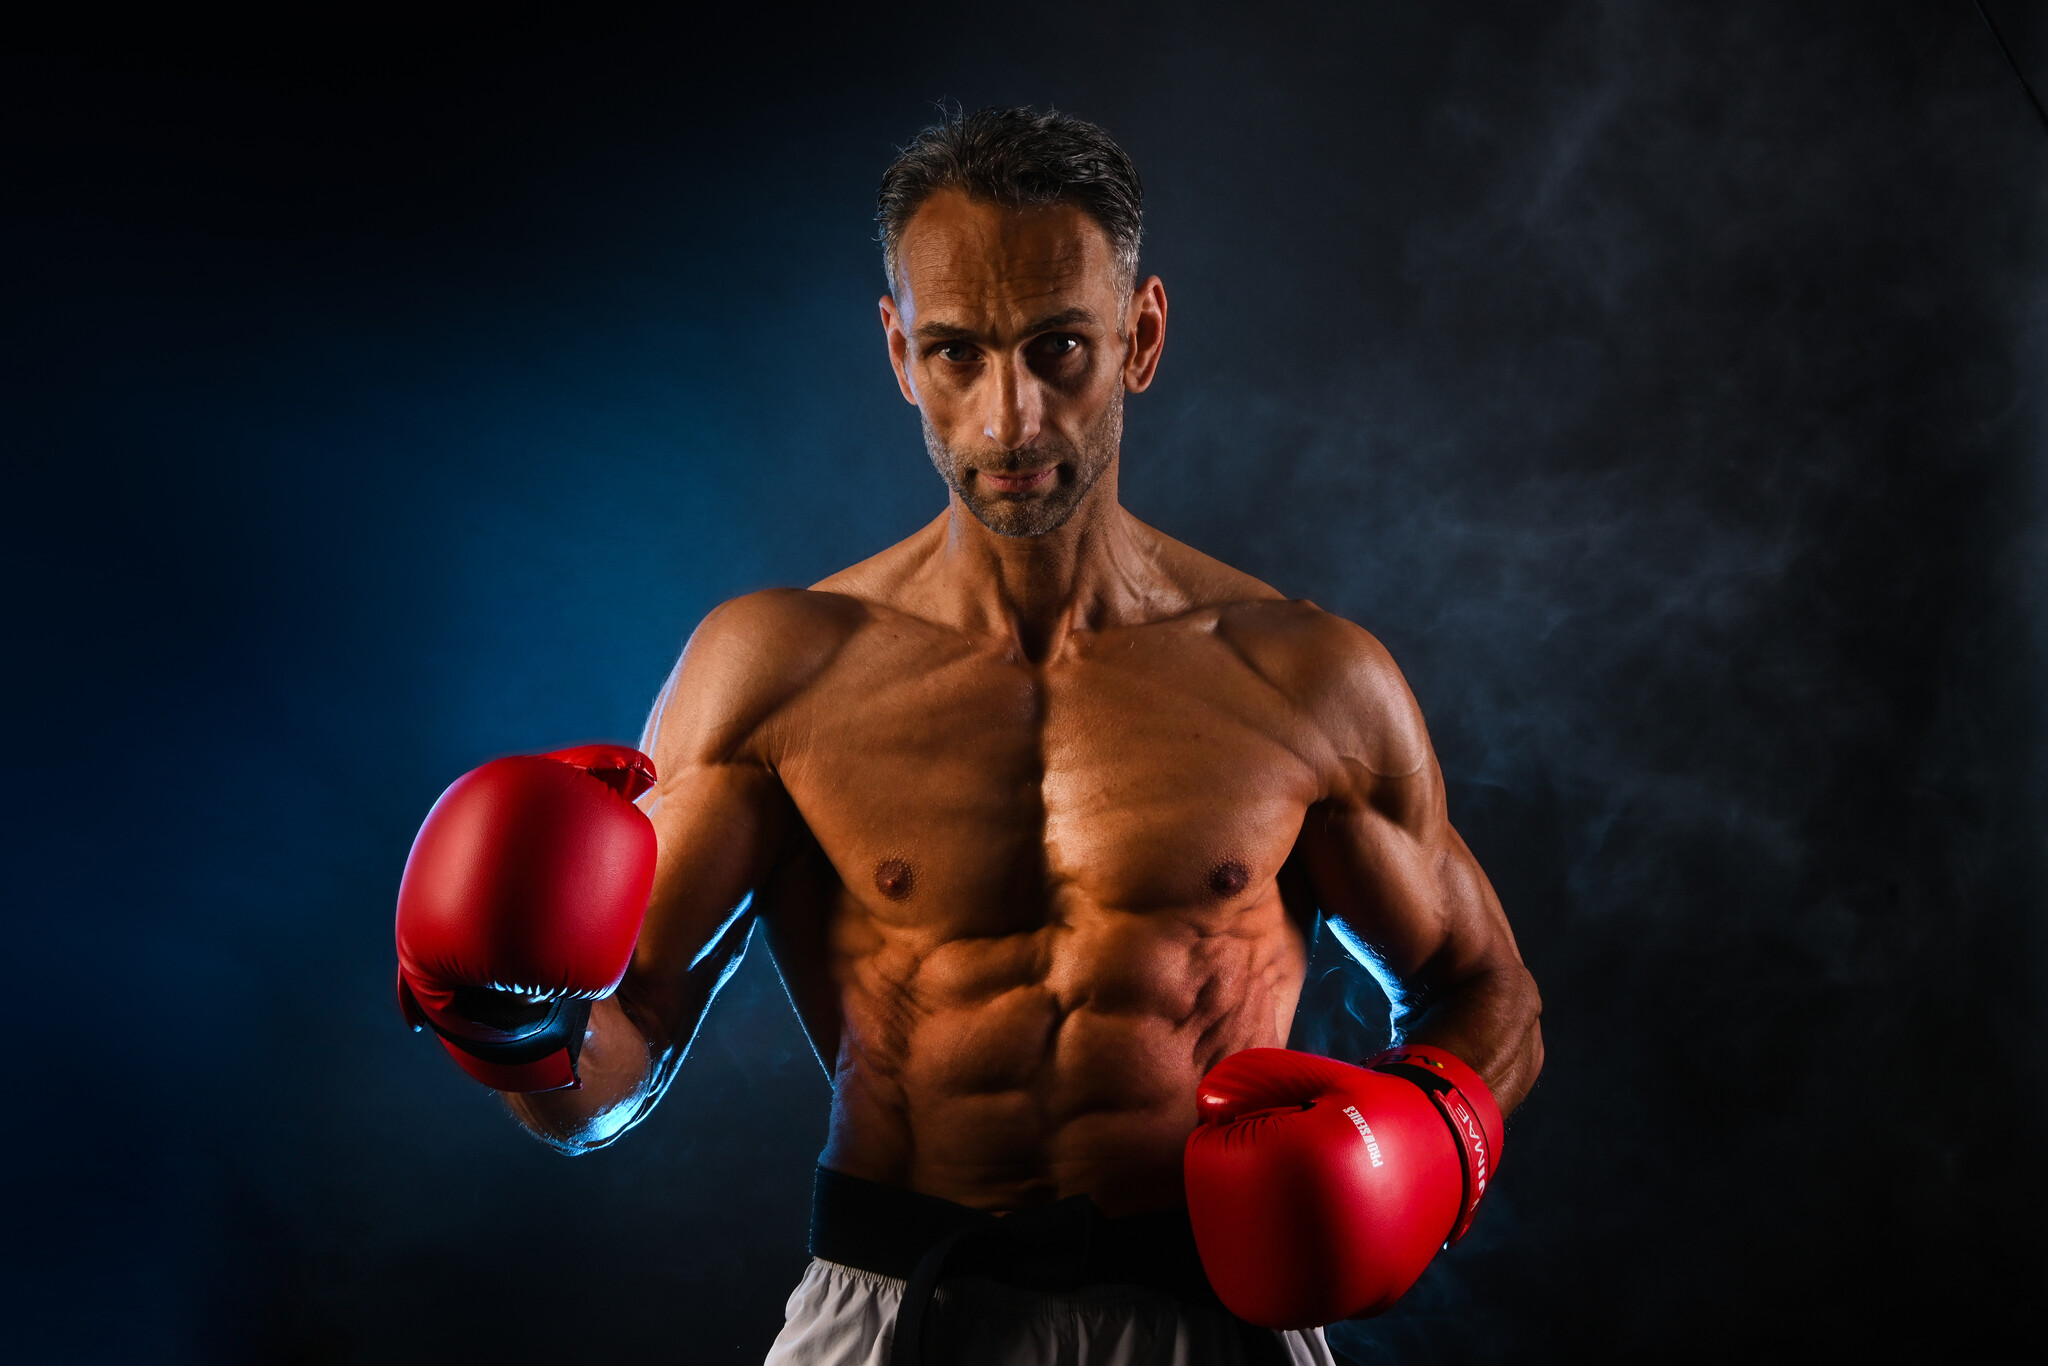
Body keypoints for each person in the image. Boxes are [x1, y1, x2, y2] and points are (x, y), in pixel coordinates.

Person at [395, 106, 1543, 1366]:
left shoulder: (1303, 678)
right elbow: (617, 1059)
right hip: (894, 1310)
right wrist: (512, 1023)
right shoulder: (779, 672)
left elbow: (1484, 989)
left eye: (1059, 348)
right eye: (955, 352)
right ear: (898, 351)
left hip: (1206, 1318)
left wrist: (1430, 1138)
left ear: (1139, 336)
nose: (1010, 420)